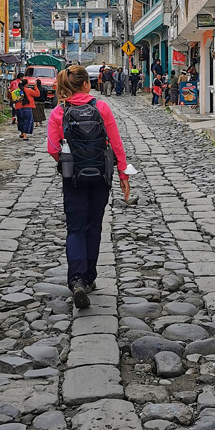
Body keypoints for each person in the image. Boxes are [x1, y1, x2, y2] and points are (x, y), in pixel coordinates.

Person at [47, 65, 130, 309]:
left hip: (73, 178)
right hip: (101, 176)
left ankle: (77, 279)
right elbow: (116, 143)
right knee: (94, 226)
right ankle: (90, 277)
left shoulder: (59, 112)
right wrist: (123, 173)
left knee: (75, 228)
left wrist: (68, 164)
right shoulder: (101, 107)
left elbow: (53, 148)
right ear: (86, 84)